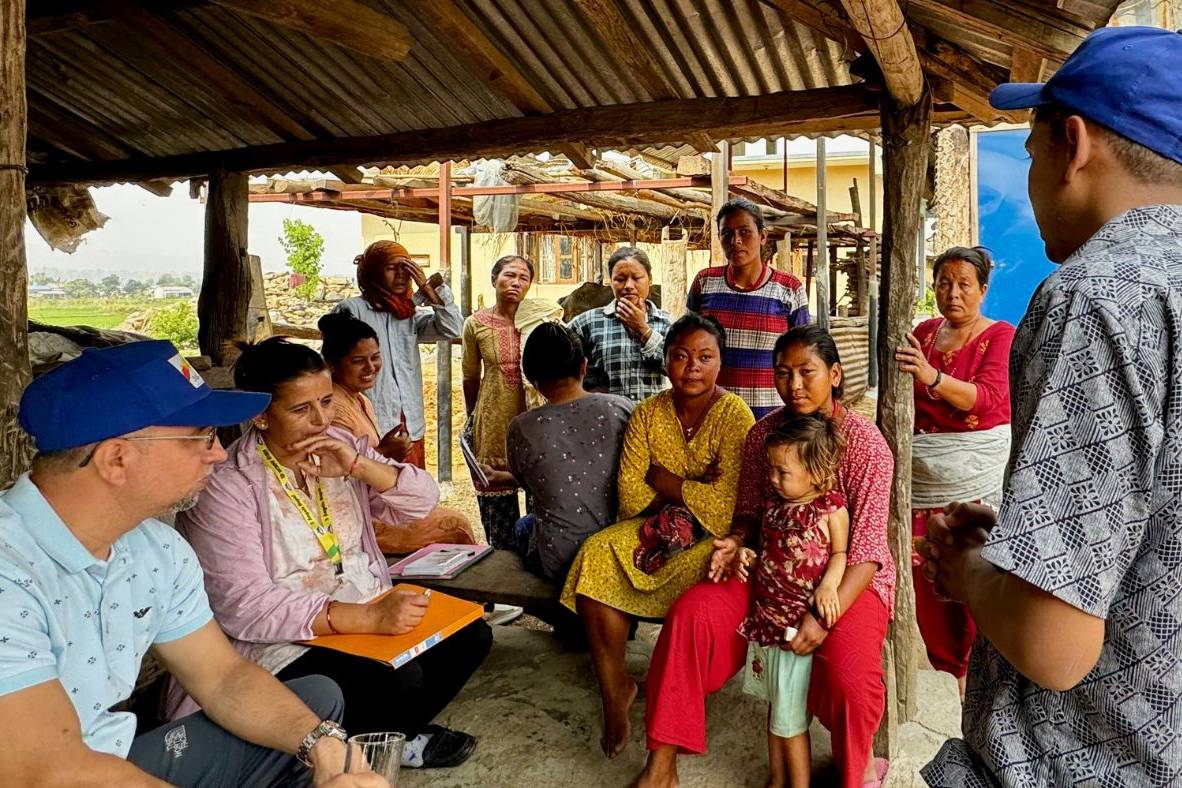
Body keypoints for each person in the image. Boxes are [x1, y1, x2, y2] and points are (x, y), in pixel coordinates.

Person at [921, 27, 1182, 787]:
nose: (1031, 176)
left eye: (1030, 151)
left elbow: (1053, 643)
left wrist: (968, 568)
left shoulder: (1100, 297)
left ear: (1072, 144)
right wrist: (1026, 551)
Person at [0, 340, 383, 787]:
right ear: (117, 458)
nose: (219, 453)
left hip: (109, 752)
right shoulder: (11, 571)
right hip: (45, 771)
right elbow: (48, 771)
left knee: (314, 702)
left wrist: (320, 744)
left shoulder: (156, 549)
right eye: (201, 436)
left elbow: (222, 678)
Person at [174, 337, 491, 770]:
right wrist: (363, 620)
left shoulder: (340, 447)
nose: (322, 420)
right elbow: (244, 608)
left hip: (365, 602)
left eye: (326, 401)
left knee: (471, 636)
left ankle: (389, 734)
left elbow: (421, 501)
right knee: (394, 677)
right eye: (302, 410)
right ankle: (383, 740)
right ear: (261, 416)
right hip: (286, 637)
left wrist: (360, 465)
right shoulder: (229, 486)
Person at [638, 326, 895, 788]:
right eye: (782, 373)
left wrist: (823, 614)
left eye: (807, 372)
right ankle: (661, 766)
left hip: (846, 580)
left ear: (834, 374)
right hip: (771, 573)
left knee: (850, 675)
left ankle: (855, 772)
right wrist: (736, 542)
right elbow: (749, 516)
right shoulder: (762, 438)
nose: (794, 385)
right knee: (692, 617)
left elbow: (869, 548)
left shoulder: (865, 445)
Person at [560, 312, 756, 758]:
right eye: (681, 356)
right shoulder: (647, 414)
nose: (692, 367)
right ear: (665, 360)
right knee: (595, 555)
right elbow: (630, 494)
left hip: (712, 538)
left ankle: (674, 699)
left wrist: (664, 479)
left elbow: (725, 506)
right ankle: (615, 691)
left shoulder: (734, 415)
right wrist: (692, 489)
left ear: (720, 363)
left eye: (705, 357)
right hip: (649, 530)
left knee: (707, 567)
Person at [894, 246, 1015, 694]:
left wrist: (931, 378)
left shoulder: (1000, 336)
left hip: (969, 489)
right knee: (926, 583)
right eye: (944, 282)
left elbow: (986, 399)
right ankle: (944, 682)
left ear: (983, 289)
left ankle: (973, 690)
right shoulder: (923, 332)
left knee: (968, 584)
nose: (953, 293)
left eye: (965, 283)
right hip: (921, 484)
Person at [730, 415, 849, 788]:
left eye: (783, 472)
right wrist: (748, 555)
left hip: (798, 630)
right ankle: (777, 778)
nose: (773, 478)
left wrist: (829, 587)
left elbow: (841, 554)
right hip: (768, 623)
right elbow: (768, 549)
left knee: (791, 721)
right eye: (772, 470)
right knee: (775, 710)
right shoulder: (775, 504)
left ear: (816, 472)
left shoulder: (831, 509)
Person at [479, 322, 634, 581]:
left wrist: (502, 477)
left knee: (523, 525)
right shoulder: (621, 409)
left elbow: (545, 481)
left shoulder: (521, 427)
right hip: (618, 550)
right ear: (584, 366)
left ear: (531, 379)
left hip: (558, 561)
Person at [318, 311, 476, 553]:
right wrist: (384, 451)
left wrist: (386, 453)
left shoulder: (359, 399)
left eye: (375, 358)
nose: (370, 367)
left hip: (375, 502)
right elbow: (335, 475)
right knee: (456, 526)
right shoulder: (333, 409)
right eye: (358, 361)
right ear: (332, 364)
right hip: (357, 514)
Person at [335, 240, 463, 469]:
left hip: (410, 424)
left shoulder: (407, 313)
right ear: (374, 271)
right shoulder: (353, 310)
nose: (401, 275)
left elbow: (452, 328)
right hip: (372, 426)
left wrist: (428, 288)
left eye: (406, 268)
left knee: (411, 493)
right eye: (391, 268)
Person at [462, 254, 562, 547]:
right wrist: (474, 416)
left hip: (537, 424)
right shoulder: (475, 324)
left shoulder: (542, 321)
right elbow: (470, 375)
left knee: (540, 503)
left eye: (524, 278)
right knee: (498, 514)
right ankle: (500, 581)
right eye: (509, 275)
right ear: (494, 280)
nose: (516, 283)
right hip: (493, 425)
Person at [688, 198, 810, 419]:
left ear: (763, 236)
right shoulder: (704, 283)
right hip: (714, 414)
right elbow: (689, 346)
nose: (735, 241)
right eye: (727, 234)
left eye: (745, 232)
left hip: (770, 416)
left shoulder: (789, 288)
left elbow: (804, 355)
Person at [568, 246, 673, 402]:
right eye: (620, 279)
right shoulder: (588, 323)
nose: (628, 286)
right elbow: (559, 364)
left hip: (650, 422)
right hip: (604, 421)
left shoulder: (667, 323)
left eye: (636, 278)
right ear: (611, 281)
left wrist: (643, 330)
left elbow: (676, 370)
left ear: (649, 280)